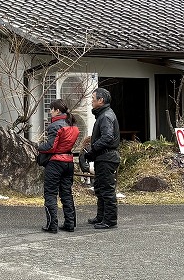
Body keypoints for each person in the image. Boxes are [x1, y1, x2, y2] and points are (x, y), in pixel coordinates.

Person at [35, 99, 80, 234]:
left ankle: (52, 225)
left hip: (55, 163)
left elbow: (51, 147)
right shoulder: (73, 126)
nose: (50, 112)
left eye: (51, 109)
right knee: (66, 193)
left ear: (57, 111)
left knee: (50, 193)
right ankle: (70, 223)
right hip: (69, 162)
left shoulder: (55, 126)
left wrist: (38, 146)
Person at [81, 88, 122, 230]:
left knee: (106, 189)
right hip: (104, 157)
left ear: (101, 100)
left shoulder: (105, 116)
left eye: (93, 98)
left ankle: (109, 220)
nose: (91, 101)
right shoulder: (104, 115)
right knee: (100, 187)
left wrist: (92, 149)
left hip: (107, 158)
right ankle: (101, 216)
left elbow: (107, 137)